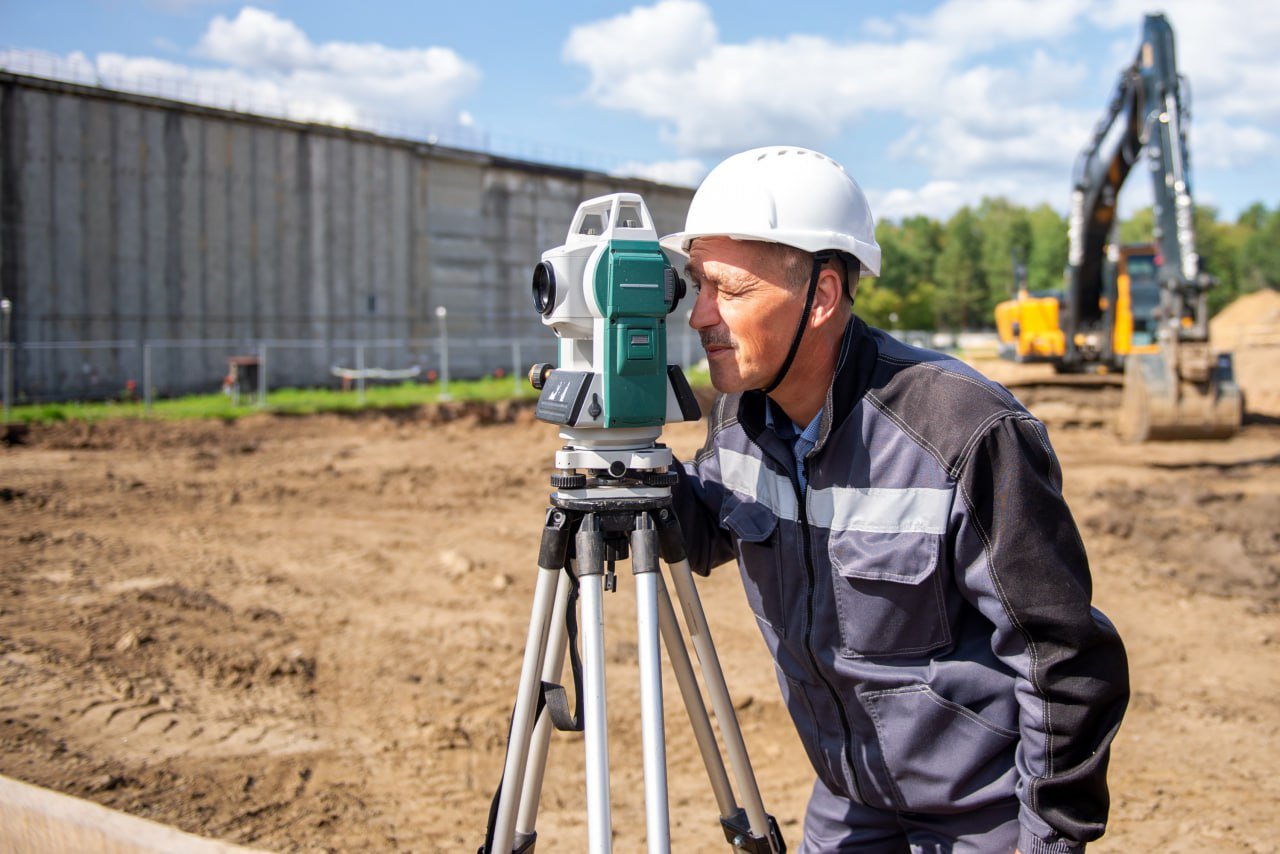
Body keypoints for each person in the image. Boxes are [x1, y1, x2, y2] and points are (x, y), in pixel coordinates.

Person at [660, 146, 1129, 854]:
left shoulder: (962, 430)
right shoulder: (740, 421)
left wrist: (1049, 839)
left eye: (727, 289)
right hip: (850, 799)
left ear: (820, 297)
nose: (699, 315)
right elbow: (707, 533)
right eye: (697, 285)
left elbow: (1063, 659)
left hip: (985, 812)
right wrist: (629, 471)